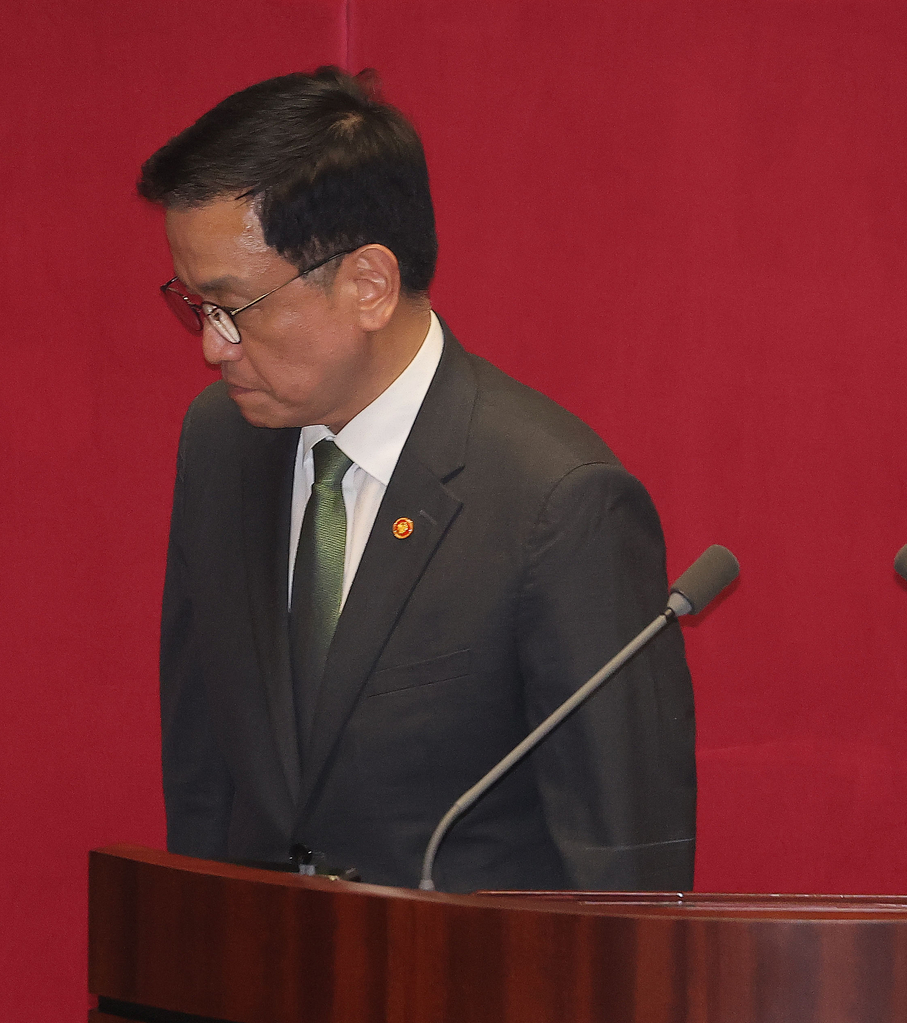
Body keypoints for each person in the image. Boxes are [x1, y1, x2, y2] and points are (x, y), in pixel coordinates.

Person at [140, 66, 696, 892]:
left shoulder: (560, 503)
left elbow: (625, 876)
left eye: (235, 308)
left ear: (368, 284)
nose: (213, 345)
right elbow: (204, 778)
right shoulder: (219, 442)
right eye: (195, 305)